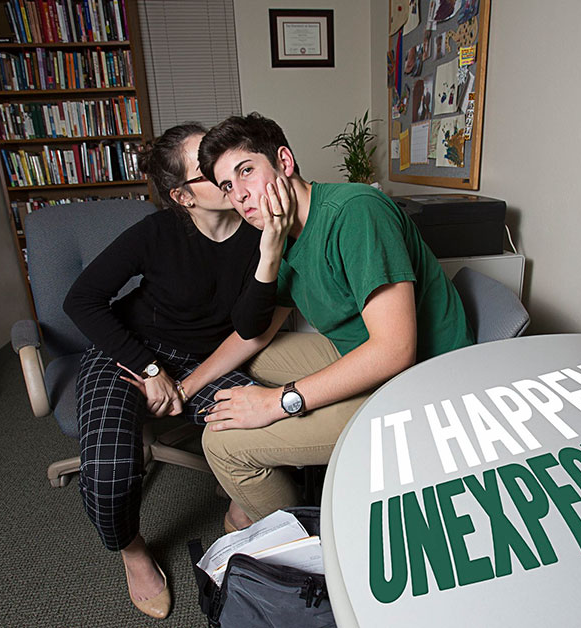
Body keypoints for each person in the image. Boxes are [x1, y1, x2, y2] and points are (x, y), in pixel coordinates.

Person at [190, 112, 474, 532]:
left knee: (221, 445)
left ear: (284, 162)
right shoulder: (282, 230)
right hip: (362, 350)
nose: (240, 195)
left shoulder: (354, 212)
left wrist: (276, 403)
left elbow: (396, 350)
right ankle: (264, 488)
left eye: (246, 171)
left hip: (420, 386)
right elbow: (257, 333)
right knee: (256, 360)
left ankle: (305, 541)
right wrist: (187, 385)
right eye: (228, 186)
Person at [62, 123, 293, 619]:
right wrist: (148, 368)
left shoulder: (263, 225)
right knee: (109, 470)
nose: (226, 172)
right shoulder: (157, 232)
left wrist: (188, 382)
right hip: (128, 350)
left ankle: (239, 503)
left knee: (272, 430)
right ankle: (132, 550)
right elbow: (81, 300)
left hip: (205, 358)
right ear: (183, 196)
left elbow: (255, 326)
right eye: (208, 170)